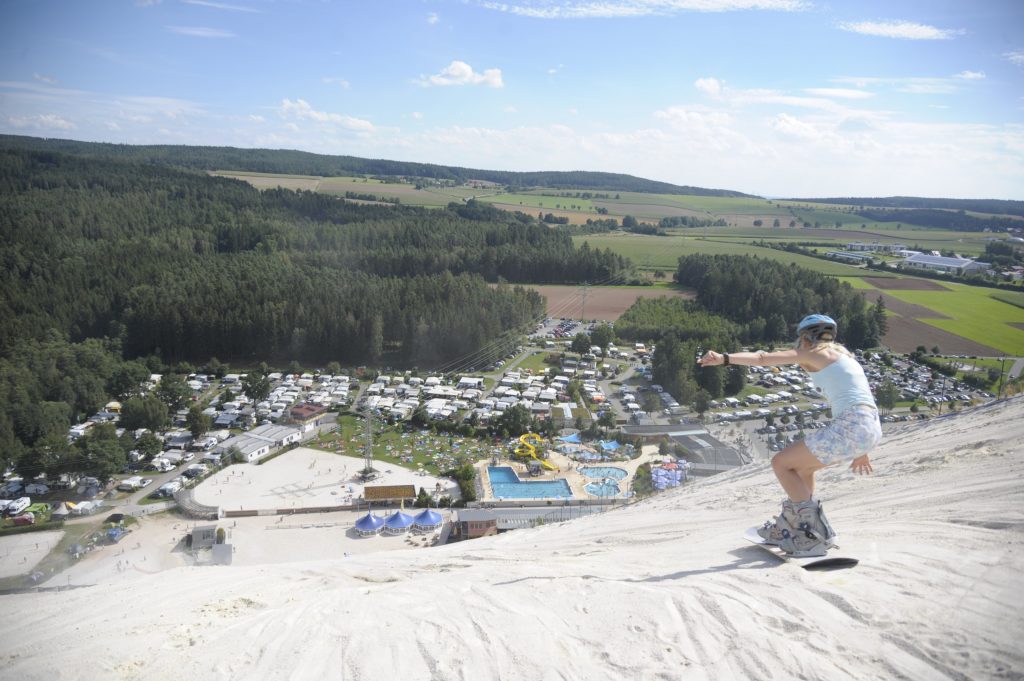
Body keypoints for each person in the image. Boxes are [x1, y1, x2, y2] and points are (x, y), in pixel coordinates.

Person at [697, 314, 882, 557]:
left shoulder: (813, 353)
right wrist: (862, 449)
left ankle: (809, 537)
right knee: (803, 470)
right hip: (869, 426)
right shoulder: (846, 357)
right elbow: (860, 396)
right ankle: (799, 526)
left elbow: (763, 359)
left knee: (781, 463)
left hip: (851, 425)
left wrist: (724, 359)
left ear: (806, 338)